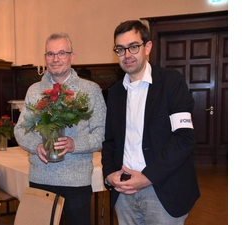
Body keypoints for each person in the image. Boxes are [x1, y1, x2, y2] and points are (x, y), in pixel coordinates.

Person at [101, 20, 200, 224]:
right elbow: (109, 141)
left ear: (147, 47)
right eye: (120, 49)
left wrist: (147, 177)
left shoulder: (171, 82)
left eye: (133, 47)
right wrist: (109, 175)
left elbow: (184, 138)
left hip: (162, 190)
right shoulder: (115, 93)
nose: (127, 55)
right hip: (124, 193)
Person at [14, 32, 106, 225]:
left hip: (76, 181)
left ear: (72, 57)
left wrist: (75, 144)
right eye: (50, 54)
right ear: (45, 58)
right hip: (41, 177)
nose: (55, 59)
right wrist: (36, 145)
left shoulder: (90, 90)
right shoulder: (34, 90)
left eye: (61, 53)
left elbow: (102, 133)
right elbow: (21, 129)